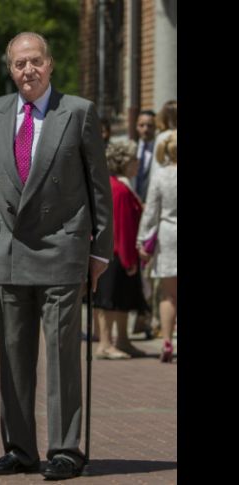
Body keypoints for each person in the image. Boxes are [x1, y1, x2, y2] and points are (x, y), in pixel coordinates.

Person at [0, 32, 112, 480]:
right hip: (9, 249)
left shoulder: (78, 112)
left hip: (62, 246)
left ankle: (64, 449)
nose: (28, 71)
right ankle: (19, 448)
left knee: (60, 354)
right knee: (14, 356)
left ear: (50, 65)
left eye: (35, 61)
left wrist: (101, 253)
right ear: (10, 68)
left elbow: (99, 188)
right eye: (20, 64)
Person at [93, 141, 149, 359]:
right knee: (110, 301)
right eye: (134, 159)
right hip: (117, 254)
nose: (137, 163)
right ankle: (106, 344)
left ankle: (123, 341)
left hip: (118, 252)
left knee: (124, 300)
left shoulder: (117, 185)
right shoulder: (119, 189)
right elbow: (122, 227)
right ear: (124, 162)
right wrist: (128, 259)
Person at [138, 130, 177, 362]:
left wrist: (142, 240)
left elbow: (151, 212)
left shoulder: (161, 176)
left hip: (168, 234)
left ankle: (167, 342)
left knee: (168, 295)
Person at [131, 110, 157, 202]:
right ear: (136, 126)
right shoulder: (131, 150)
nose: (145, 129)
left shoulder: (159, 151)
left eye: (149, 126)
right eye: (141, 125)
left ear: (155, 127)